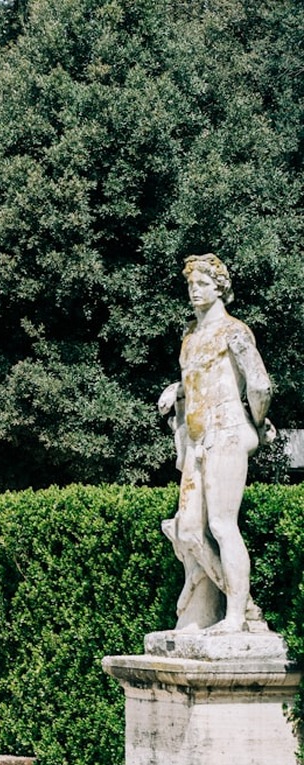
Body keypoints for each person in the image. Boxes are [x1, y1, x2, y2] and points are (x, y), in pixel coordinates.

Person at [158, 253, 272, 633]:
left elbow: (258, 384)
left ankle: (237, 617)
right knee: (188, 530)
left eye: (203, 283)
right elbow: (195, 383)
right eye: (191, 284)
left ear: (219, 287)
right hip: (195, 440)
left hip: (225, 431)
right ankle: (247, 605)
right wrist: (175, 389)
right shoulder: (190, 336)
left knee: (223, 525)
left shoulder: (234, 331)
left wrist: (257, 424)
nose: (195, 290)